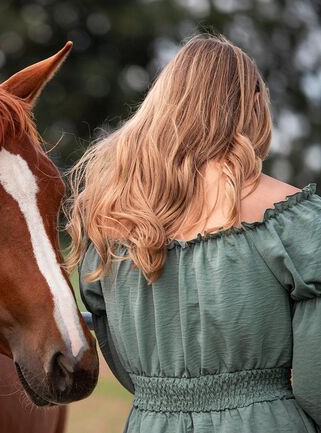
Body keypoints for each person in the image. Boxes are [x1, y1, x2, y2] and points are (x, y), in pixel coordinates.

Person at [66, 34, 321, 432]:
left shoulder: (112, 223)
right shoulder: (294, 221)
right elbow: (316, 386)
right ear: (253, 103)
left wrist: (169, 397)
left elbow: (121, 361)